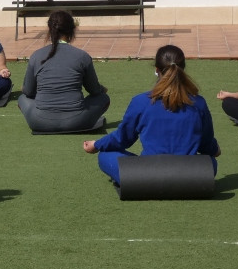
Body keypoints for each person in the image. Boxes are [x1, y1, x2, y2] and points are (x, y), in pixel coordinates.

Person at [82, 45, 220, 184]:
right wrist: (215, 149)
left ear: (157, 70)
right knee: (211, 163)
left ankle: (134, 180)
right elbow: (206, 143)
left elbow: (122, 139)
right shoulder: (198, 103)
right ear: (183, 69)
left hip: (148, 174)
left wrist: (97, 144)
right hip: (189, 174)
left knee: (105, 154)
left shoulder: (141, 102)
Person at [17, 11, 110, 132]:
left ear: (49, 30)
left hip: (38, 121)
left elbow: (28, 92)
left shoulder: (36, 55)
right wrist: (102, 89)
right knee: (104, 98)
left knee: (22, 98)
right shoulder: (82, 56)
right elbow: (94, 90)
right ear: (72, 30)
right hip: (77, 121)